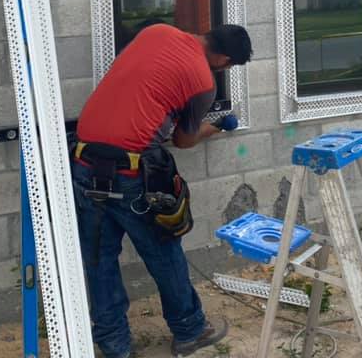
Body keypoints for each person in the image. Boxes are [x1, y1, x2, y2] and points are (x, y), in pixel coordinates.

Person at [71, 22, 253, 358]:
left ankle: (114, 346)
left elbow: (142, 89)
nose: (225, 70)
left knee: (99, 259)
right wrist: (213, 127)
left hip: (84, 163)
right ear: (224, 58)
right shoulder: (203, 82)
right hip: (131, 173)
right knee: (163, 253)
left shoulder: (157, 32)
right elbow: (184, 140)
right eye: (229, 66)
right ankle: (190, 331)